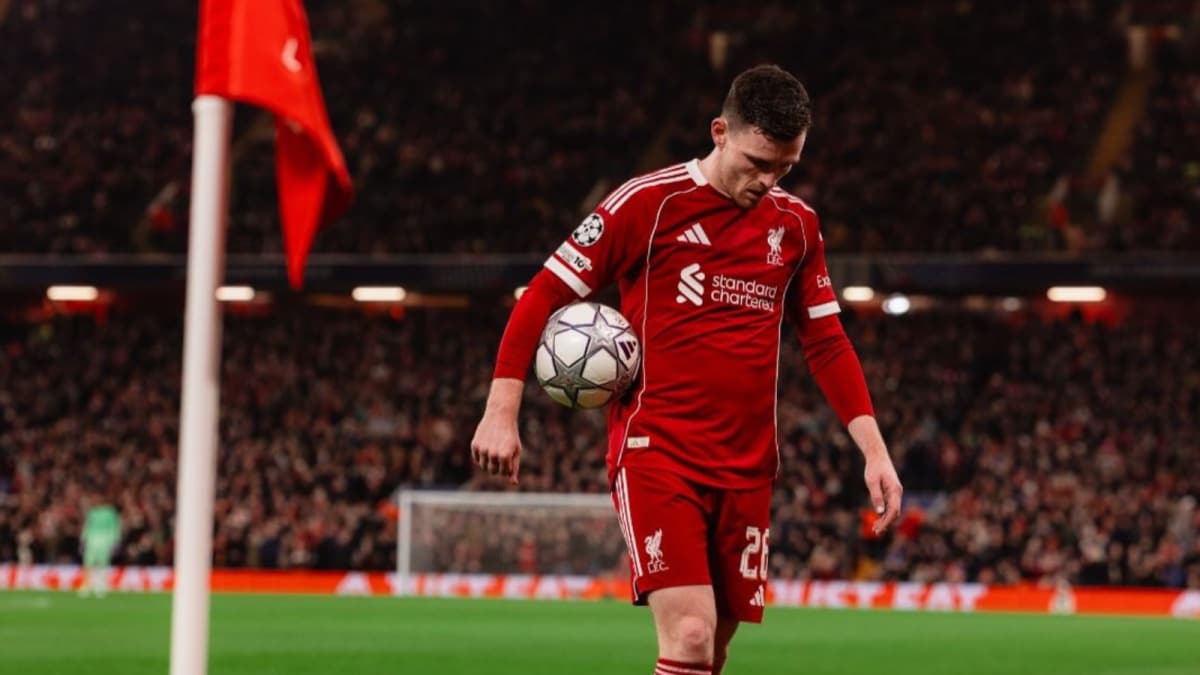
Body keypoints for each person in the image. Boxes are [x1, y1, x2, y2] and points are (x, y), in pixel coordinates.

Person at [471, 64, 903, 675]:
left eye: (784, 168)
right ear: (720, 132)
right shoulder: (648, 203)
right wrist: (501, 410)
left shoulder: (797, 227)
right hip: (659, 453)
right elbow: (544, 292)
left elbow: (827, 342)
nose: (767, 180)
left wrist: (875, 453)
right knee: (692, 635)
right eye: (758, 162)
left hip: (748, 466)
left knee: (713, 651)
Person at [79, 494, 121, 597]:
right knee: (88, 563)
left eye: (98, 498)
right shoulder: (92, 512)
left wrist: (115, 542)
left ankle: (101, 585)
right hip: (92, 540)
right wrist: (83, 540)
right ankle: (87, 585)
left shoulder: (110, 512)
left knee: (103, 564)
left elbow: (115, 527)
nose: (95, 500)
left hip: (105, 541)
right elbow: (87, 527)